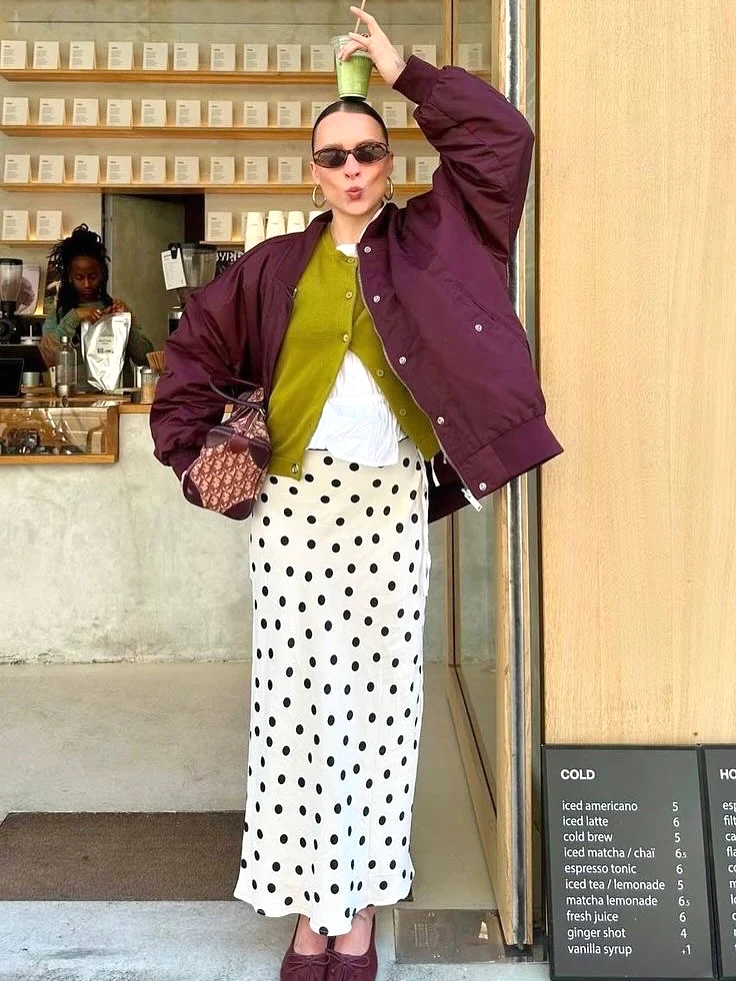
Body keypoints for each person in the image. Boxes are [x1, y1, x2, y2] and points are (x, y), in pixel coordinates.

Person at [150, 6, 563, 980]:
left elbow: (503, 142)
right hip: (295, 517)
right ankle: (307, 916)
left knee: (379, 715)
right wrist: (207, 453)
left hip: (386, 514)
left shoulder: (442, 240)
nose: (350, 169)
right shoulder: (269, 271)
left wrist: (405, 70)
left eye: (366, 153)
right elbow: (186, 367)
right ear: (311, 170)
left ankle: (359, 916)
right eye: (332, 155)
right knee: (294, 716)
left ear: (387, 161)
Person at [40, 224, 153, 384]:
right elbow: (47, 359)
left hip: (118, 403)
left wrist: (126, 322)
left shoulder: (116, 310)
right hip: (73, 404)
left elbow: (146, 358)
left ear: (102, 273)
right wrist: (74, 317)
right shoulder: (59, 316)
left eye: (92, 276)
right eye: (79, 277)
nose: (87, 284)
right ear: (69, 277)